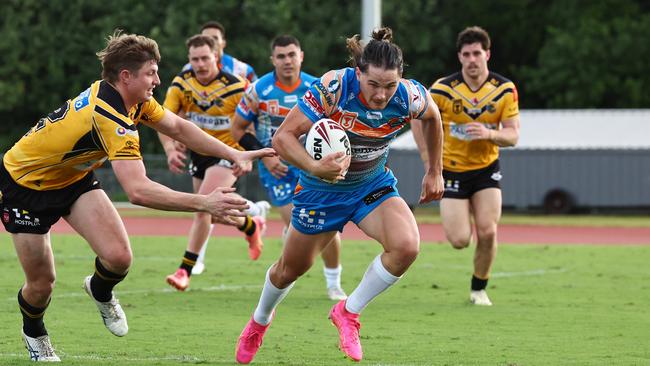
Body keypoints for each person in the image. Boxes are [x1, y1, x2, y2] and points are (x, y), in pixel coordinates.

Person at [0, 31, 274, 362]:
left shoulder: (134, 100)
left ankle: (99, 290)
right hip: (24, 187)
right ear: (126, 76)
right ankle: (35, 333)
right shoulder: (111, 116)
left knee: (119, 258)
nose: (158, 80)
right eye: (151, 73)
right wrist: (204, 202)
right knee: (42, 284)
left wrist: (233, 155)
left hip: (72, 179)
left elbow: (178, 128)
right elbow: (139, 190)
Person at [234, 27, 445, 364]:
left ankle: (348, 312)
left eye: (390, 85)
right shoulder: (335, 87)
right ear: (358, 73)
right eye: (373, 84)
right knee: (290, 269)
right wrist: (315, 168)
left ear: (400, 78)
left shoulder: (409, 95)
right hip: (321, 191)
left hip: (370, 185)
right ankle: (259, 321)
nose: (381, 95)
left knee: (407, 246)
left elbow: (433, 117)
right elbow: (283, 139)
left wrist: (434, 170)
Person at [231, 35, 347, 301]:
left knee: (327, 223)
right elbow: (237, 129)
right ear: (272, 59)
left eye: (291, 55)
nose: (287, 61)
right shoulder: (258, 89)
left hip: (312, 164)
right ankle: (291, 249)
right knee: (298, 220)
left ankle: (334, 283)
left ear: (301, 56)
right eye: (281, 56)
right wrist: (266, 158)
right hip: (278, 168)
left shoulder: (317, 87)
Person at [412, 26, 520, 306]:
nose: (472, 59)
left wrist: (490, 134)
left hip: (486, 169)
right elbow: (416, 117)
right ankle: (464, 233)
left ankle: (478, 289)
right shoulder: (443, 89)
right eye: (466, 54)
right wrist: (428, 161)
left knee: (488, 231)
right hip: (451, 170)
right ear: (459, 57)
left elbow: (513, 135)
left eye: (477, 53)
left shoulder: (504, 90)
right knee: (460, 240)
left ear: (488, 54)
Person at [162, 34, 268, 292]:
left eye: (205, 58)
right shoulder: (181, 84)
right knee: (213, 214)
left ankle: (184, 270)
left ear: (216, 58)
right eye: (194, 59)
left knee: (202, 209)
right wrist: (169, 150)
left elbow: (252, 121)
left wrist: (249, 154)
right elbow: (162, 118)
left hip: (229, 153)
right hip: (200, 154)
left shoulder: (236, 87)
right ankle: (250, 224)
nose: (199, 64)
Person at [181, 21, 257, 82]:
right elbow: (186, 94)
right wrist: (190, 100)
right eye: (206, 38)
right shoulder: (188, 69)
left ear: (223, 43)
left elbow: (258, 96)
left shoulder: (242, 69)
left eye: (215, 38)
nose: (211, 42)